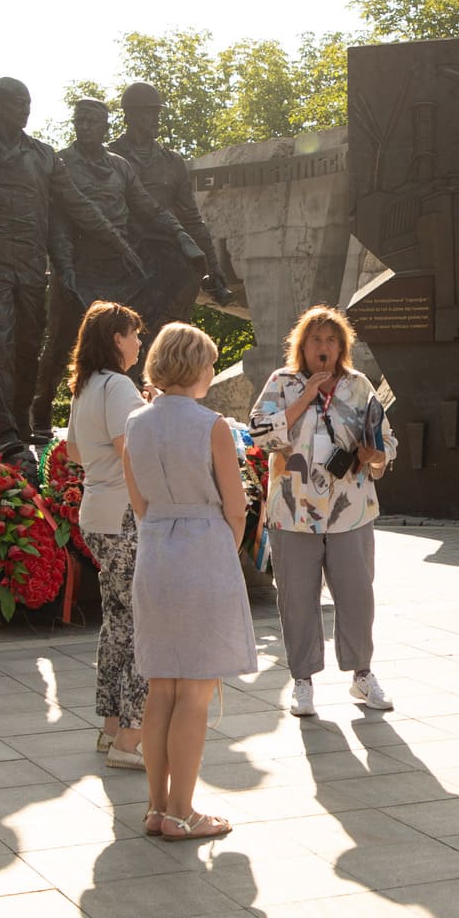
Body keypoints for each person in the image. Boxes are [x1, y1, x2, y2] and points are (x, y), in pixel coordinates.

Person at [0, 78, 142, 478]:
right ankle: (6, 432)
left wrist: (118, 243)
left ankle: (21, 427)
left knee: (27, 348)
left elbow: (77, 204)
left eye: (27, 103)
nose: (24, 110)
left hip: (29, 267)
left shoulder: (43, 156)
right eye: (16, 104)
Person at [123, 323, 258, 840]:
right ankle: (183, 811)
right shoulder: (213, 425)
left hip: (156, 549)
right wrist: (225, 544)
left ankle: (158, 808)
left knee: (160, 689)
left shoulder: (136, 423)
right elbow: (236, 505)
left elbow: (139, 504)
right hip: (202, 549)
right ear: (198, 367)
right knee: (196, 693)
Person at [248, 306, 396, 718]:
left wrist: (376, 456)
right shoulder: (282, 382)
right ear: (303, 345)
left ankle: (362, 674)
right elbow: (258, 433)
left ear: (342, 346)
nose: (324, 347)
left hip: (351, 512)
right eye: (316, 340)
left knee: (357, 596)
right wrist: (304, 399)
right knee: (297, 599)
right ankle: (302, 680)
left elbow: (386, 441)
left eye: (331, 340)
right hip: (293, 514)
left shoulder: (358, 385)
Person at [30, 97, 202, 436]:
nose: (84, 127)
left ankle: (133, 411)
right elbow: (59, 224)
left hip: (119, 269)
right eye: (80, 120)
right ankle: (41, 411)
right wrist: (65, 270)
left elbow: (148, 207)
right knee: (62, 340)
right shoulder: (62, 163)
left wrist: (181, 235)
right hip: (80, 267)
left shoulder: (120, 166)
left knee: (129, 340)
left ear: (106, 127)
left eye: (92, 121)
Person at [68, 301, 151, 769]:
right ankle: (128, 743)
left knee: (118, 624)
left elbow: (75, 454)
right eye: (134, 333)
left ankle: (110, 729)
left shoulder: (86, 386)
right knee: (143, 626)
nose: (140, 341)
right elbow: (133, 452)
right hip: (126, 516)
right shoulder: (119, 386)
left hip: (96, 513)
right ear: (116, 339)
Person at [108, 81, 236, 318]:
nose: (156, 119)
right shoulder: (110, 157)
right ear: (130, 114)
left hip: (166, 253)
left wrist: (213, 265)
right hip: (123, 252)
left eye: (158, 113)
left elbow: (192, 218)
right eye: (150, 113)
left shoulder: (172, 161)